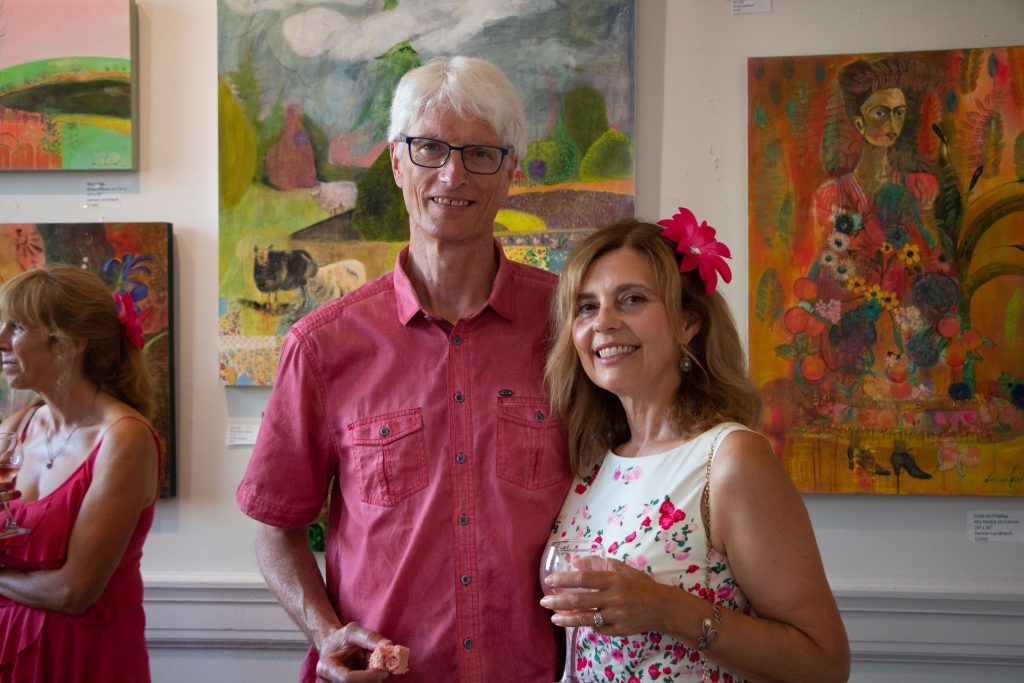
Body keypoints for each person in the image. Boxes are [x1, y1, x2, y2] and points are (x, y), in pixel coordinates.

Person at [236, 56, 571, 682]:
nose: (453, 173)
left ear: (510, 176)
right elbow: (276, 527)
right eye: (430, 148)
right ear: (395, 162)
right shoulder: (321, 346)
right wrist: (326, 633)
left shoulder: (569, 328)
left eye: (480, 153)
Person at [540, 213, 850, 682]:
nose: (603, 322)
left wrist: (664, 608)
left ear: (689, 322)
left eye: (632, 300)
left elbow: (824, 664)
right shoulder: (593, 462)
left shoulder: (729, 460)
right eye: (586, 307)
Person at [0, 265, 160, 681]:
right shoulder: (12, 430)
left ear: (69, 344)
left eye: (16, 327)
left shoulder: (124, 439)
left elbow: (73, 592)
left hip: (85, 657)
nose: (0, 340)